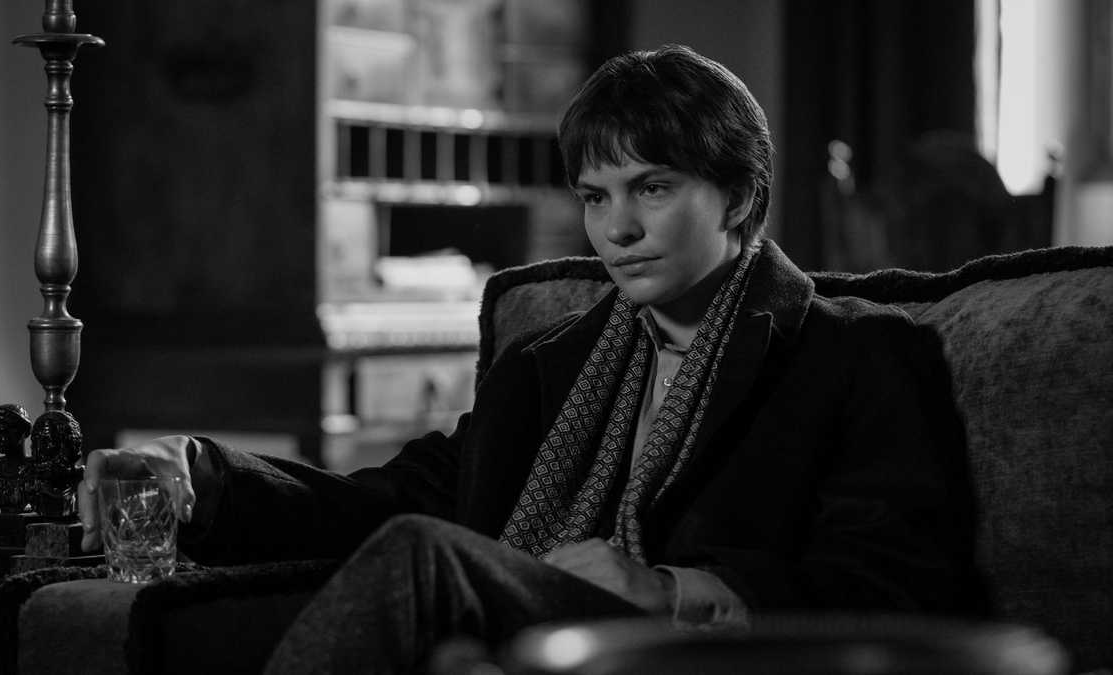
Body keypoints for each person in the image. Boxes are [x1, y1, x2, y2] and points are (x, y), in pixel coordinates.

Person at [78, 45, 983, 672]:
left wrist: (668, 590)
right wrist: (202, 473)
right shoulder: (547, 364)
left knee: (424, 562)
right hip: (530, 634)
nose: (616, 229)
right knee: (254, 611)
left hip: (686, 654)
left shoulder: (858, 352)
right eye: (595, 196)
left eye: (652, 188)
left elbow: (901, 587)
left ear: (740, 198)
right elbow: (396, 500)